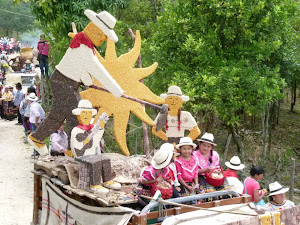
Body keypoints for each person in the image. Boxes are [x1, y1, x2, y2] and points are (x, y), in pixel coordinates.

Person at [28, 10, 124, 156]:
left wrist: (88, 81)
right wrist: (117, 91)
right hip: (64, 82)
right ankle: (75, 149)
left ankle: (38, 137)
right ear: (96, 31)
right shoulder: (83, 48)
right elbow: (99, 71)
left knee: (58, 114)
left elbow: (84, 71)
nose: (104, 39)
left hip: (66, 82)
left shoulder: (85, 46)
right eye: (103, 36)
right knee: (76, 114)